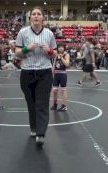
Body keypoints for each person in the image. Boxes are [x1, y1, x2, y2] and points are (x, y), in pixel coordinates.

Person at [15, 6, 57, 147]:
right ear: (30, 17)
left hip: (44, 73)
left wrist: (50, 50)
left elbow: (55, 54)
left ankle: (40, 133)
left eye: (39, 14)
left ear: (43, 17)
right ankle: (33, 127)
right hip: (27, 72)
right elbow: (17, 52)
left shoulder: (49, 34)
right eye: (34, 14)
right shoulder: (23, 32)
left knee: (42, 103)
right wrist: (27, 48)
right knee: (31, 103)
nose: (36, 16)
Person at [51, 43, 70, 111]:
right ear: (57, 48)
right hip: (56, 75)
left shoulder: (66, 55)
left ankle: (64, 105)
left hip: (62, 75)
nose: (61, 48)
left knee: (63, 90)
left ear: (64, 48)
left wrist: (62, 57)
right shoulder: (56, 55)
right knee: (54, 90)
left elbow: (67, 64)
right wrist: (52, 73)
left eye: (62, 47)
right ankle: (55, 104)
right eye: (59, 47)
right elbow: (54, 65)